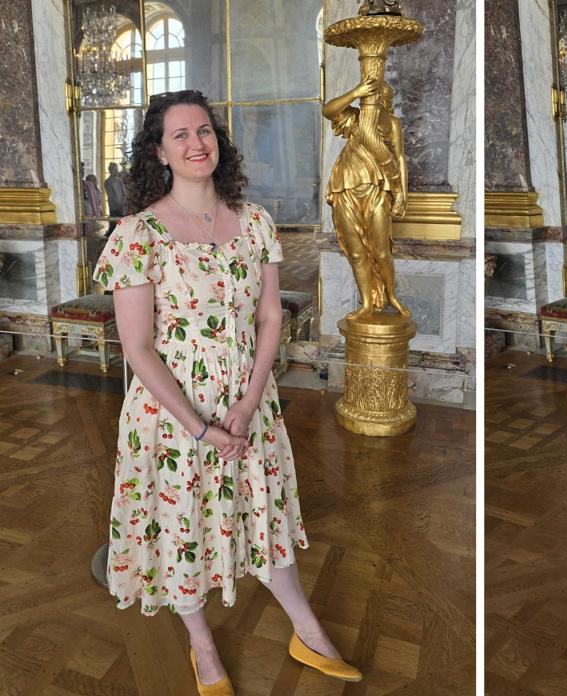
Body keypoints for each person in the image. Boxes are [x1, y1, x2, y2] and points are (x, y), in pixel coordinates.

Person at [93, 90, 361, 695]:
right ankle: (203, 646)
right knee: (182, 522)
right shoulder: (138, 234)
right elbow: (137, 348)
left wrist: (247, 402)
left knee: (262, 514)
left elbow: (271, 318)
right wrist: (200, 426)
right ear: (159, 152)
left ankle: (307, 630)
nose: (197, 143)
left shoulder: (256, 222)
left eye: (205, 131)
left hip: (250, 402)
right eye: (181, 135)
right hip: (171, 414)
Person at [323, 75, 410, 319]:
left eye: (375, 95)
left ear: (384, 100)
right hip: (346, 188)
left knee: (382, 251)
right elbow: (328, 111)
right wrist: (354, 91)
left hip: (377, 189)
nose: (370, 100)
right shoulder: (355, 118)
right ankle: (367, 304)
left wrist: (402, 193)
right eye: (367, 96)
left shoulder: (391, 124)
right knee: (357, 252)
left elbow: (400, 158)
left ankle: (391, 296)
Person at [105, 161, 126, 234]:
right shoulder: (108, 181)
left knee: (121, 221)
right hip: (114, 205)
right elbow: (111, 195)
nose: (116, 171)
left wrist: (124, 201)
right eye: (115, 169)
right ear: (110, 170)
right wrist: (116, 204)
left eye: (117, 169)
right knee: (114, 221)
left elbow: (123, 191)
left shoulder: (119, 180)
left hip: (121, 204)